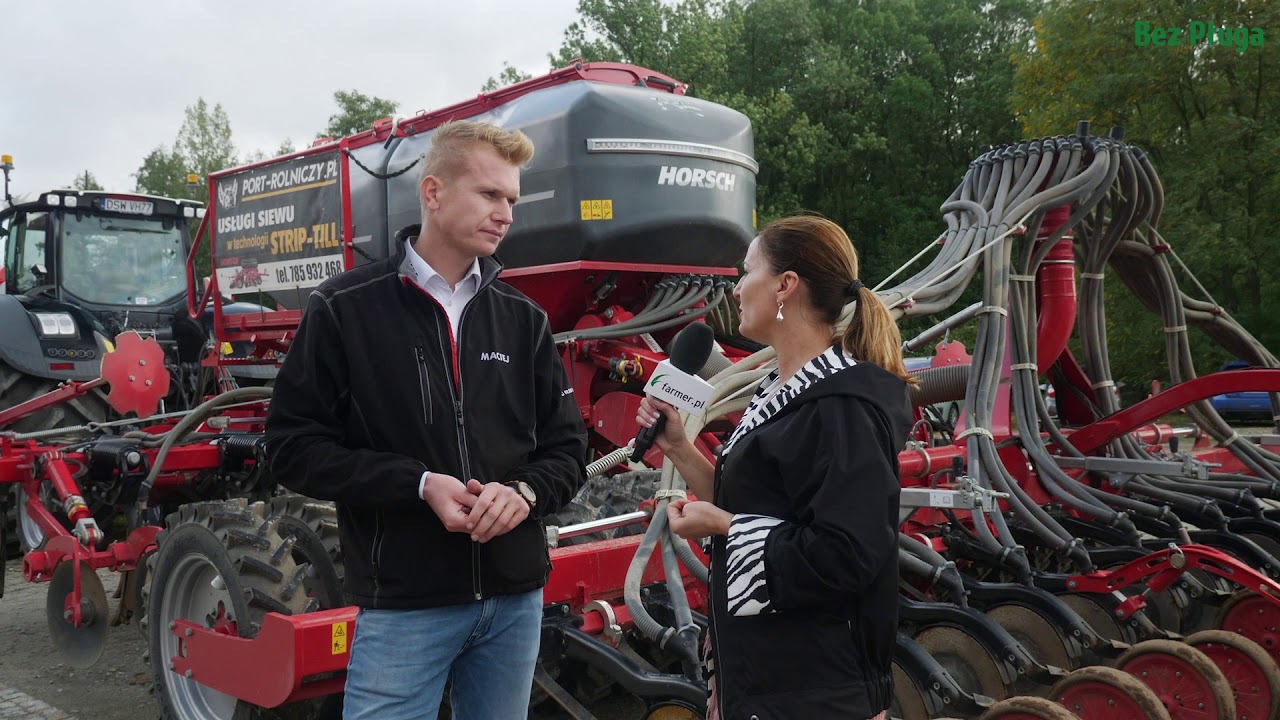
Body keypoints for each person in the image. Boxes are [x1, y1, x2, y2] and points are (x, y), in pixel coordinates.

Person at [264, 120, 588, 720]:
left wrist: (523, 493)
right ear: (433, 194)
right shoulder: (345, 309)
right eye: (490, 195)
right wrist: (417, 484)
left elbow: (568, 449)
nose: (506, 214)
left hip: (514, 601)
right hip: (404, 607)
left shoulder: (524, 319)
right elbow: (291, 447)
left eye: (511, 200)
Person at [637, 215, 915, 720]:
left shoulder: (840, 407)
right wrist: (678, 447)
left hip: (818, 691)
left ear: (786, 285)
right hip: (765, 681)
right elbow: (754, 504)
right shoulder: (780, 392)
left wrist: (723, 526)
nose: (738, 288)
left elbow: (847, 553)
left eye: (747, 272)